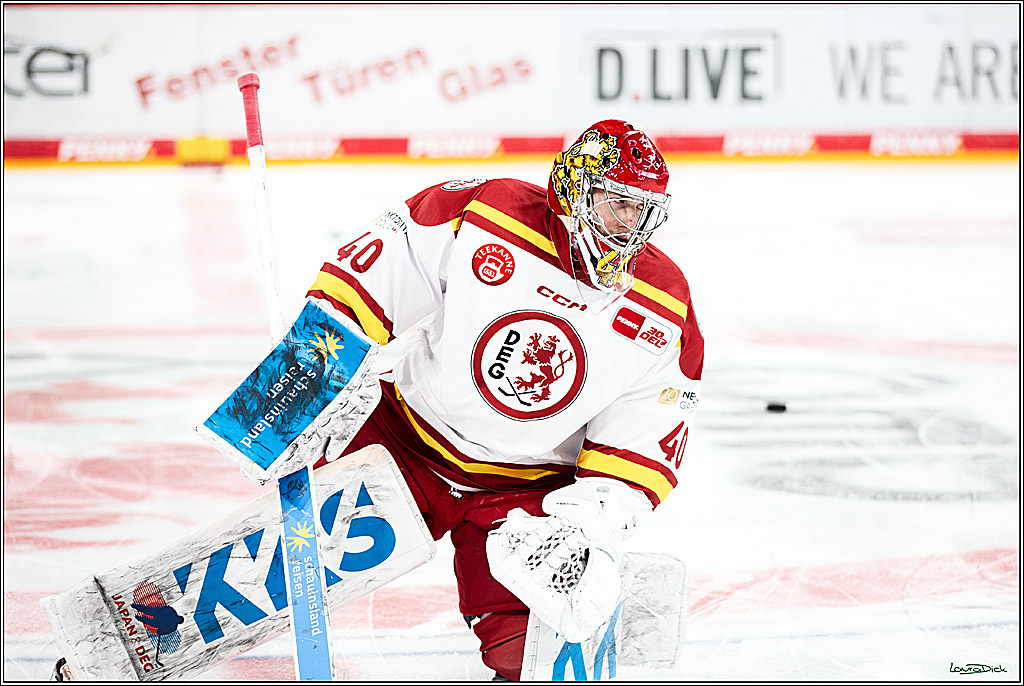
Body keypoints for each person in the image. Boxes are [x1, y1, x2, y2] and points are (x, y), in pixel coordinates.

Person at [307, 120, 704, 680]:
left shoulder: (664, 304)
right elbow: (375, 273)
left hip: (523, 495)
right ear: (574, 186)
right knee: (283, 560)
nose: (631, 226)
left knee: (532, 659)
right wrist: (313, 373)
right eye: (619, 204)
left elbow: (645, 435)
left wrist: (588, 522)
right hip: (406, 444)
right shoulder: (485, 211)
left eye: (643, 211)